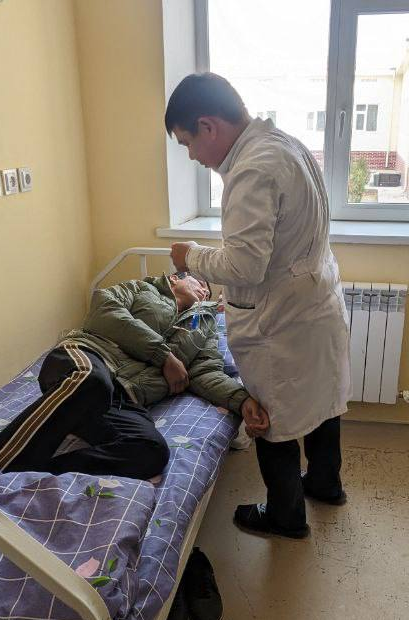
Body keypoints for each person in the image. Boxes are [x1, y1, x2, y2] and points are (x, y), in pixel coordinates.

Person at [165, 73, 350, 540]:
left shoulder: (252, 169)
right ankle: (325, 483)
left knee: (272, 419)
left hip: (282, 321)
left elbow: (245, 266)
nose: (192, 156)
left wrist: (191, 256)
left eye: (188, 142)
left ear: (208, 126)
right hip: (315, 304)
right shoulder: (285, 145)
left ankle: (285, 517)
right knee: (323, 402)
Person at [0, 273, 262, 480]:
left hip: (124, 396)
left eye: (207, 292)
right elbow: (104, 313)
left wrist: (241, 400)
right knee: (93, 383)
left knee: (151, 451)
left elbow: (205, 371)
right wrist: (164, 356)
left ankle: (35, 472)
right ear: (175, 279)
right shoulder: (141, 288)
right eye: (199, 283)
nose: (203, 291)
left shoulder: (204, 326)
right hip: (87, 358)